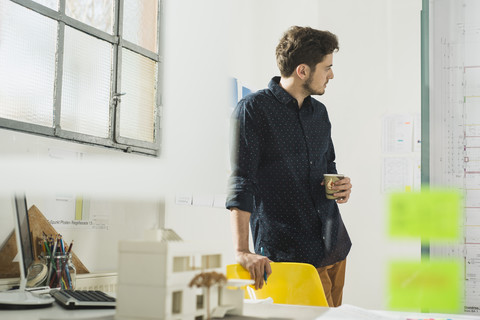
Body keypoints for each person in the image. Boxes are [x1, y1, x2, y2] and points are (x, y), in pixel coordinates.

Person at [226, 26, 352, 307]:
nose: (331, 75)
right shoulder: (253, 110)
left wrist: (341, 186)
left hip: (334, 248)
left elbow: (327, 165)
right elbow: (241, 182)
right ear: (303, 71)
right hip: (290, 256)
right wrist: (241, 250)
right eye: (327, 68)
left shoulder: (319, 112)